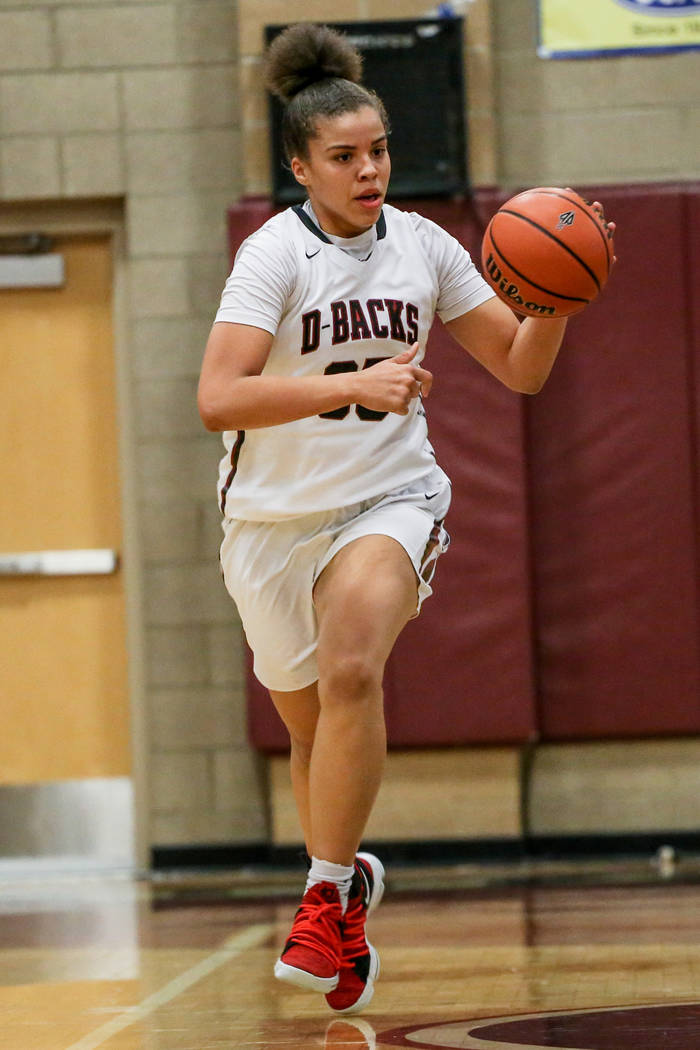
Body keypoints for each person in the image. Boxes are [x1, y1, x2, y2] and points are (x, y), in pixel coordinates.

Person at [197, 23, 614, 1015]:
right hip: (268, 520)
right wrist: (355, 380)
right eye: (343, 157)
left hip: (389, 497)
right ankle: (349, 894)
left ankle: (321, 892)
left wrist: (560, 291)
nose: (368, 168)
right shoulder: (273, 255)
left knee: (350, 670)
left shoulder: (424, 246)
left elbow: (517, 366)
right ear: (300, 166)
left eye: (377, 149)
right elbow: (219, 396)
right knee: (309, 731)